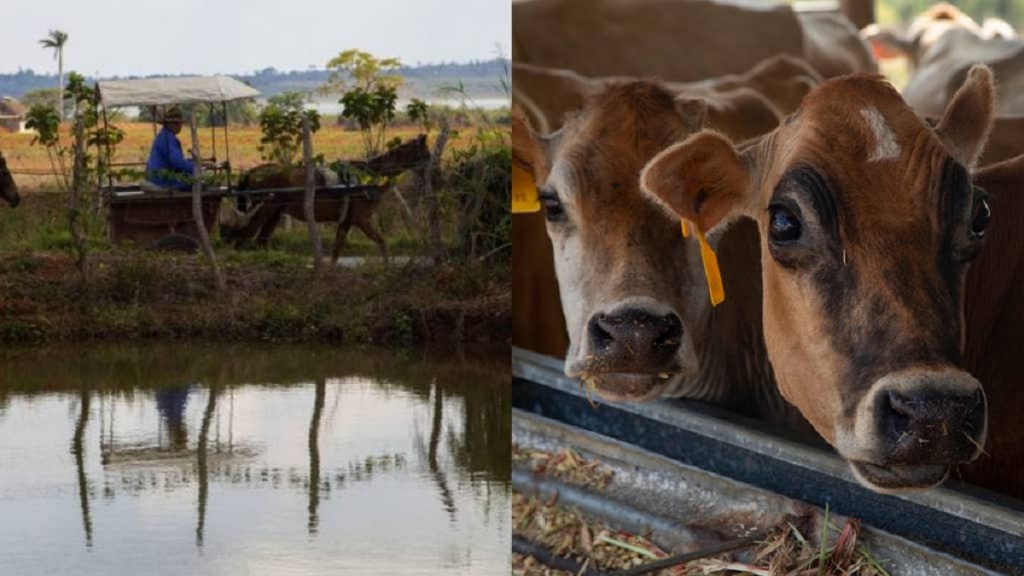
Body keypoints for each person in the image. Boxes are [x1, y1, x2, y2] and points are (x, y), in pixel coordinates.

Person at [145, 107, 198, 190]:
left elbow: (178, 160)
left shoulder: (164, 135)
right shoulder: (169, 138)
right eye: (177, 123)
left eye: (179, 123)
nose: (180, 126)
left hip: (157, 177)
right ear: (170, 124)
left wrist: (196, 163)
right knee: (198, 184)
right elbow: (177, 162)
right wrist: (195, 167)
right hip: (162, 180)